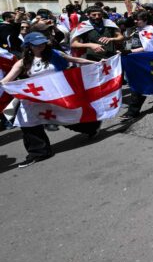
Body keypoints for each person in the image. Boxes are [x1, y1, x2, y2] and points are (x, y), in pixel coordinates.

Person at [1, 32, 97, 167]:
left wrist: (96, 63)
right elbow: (6, 80)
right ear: (29, 46)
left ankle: (91, 127)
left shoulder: (55, 54)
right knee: (27, 122)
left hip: (57, 94)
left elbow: (75, 60)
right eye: (37, 44)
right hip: (35, 97)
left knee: (68, 116)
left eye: (43, 43)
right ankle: (38, 152)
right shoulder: (23, 62)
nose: (41, 46)